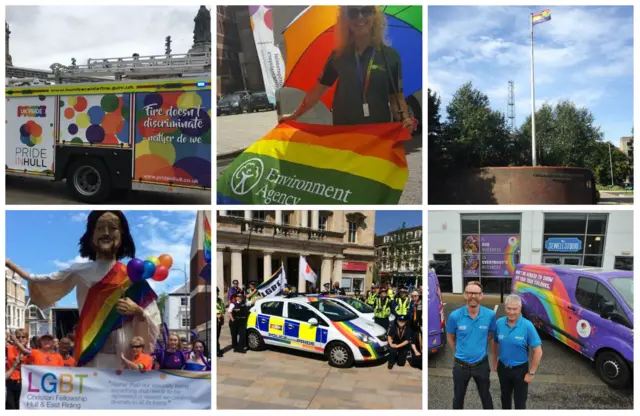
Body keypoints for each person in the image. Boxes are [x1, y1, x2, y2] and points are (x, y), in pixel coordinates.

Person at [5, 211, 161, 368]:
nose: (106, 233)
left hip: (123, 356)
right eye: (100, 228)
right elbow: (40, 279)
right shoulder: (80, 271)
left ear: (122, 235)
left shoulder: (131, 276)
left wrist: (138, 311)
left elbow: (154, 321)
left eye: (112, 228)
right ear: (91, 235)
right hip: (90, 350)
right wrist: (9, 264)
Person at [279, 6, 413, 132]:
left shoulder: (390, 56)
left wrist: (405, 119)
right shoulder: (338, 56)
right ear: (346, 20)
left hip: (379, 134)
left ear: (375, 17)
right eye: (353, 12)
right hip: (345, 133)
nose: (360, 17)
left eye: (366, 11)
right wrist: (295, 115)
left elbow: (396, 99)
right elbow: (318, 90)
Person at [446, 281, 496, 409]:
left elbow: (490, 334)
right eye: (469, 293)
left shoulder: (490, 315)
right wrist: (457, 351)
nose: (472, 296)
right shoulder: (455, 315)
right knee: (458, 398)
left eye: (476, 293)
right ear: (465, 295)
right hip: (460, 366)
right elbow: (450, 336)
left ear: (481, 295)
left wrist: (479, 344)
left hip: (481, 365)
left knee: (486, 396)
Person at [492, 294, 543, 409]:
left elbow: (538, 351)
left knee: (520, 403)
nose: (511, 312)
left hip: (520, 371)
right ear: (505, 308)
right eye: (509, 308)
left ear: (520, 309)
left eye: (515, 309)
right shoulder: (499, 323)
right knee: (505, 398)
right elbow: (495, 342)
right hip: (503, 369)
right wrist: (495, 362)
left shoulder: (527, 326)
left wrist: (532, 373)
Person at [6, 329, 28, 409]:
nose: (20, 339)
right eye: (18, 337)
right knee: (10, 408)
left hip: (24, 383)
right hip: (9, 382)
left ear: (27, 339)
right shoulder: (8, 349)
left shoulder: (30, 352)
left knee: (21, 408)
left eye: (23, 337)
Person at [216, 287, 225, 357]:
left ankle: (218, 350)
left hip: (219, 320)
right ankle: (217, 351)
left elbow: (223, 310)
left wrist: (220, 316)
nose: (216, 293)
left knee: (217, 335)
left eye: (217, 292)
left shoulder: (220, 300)